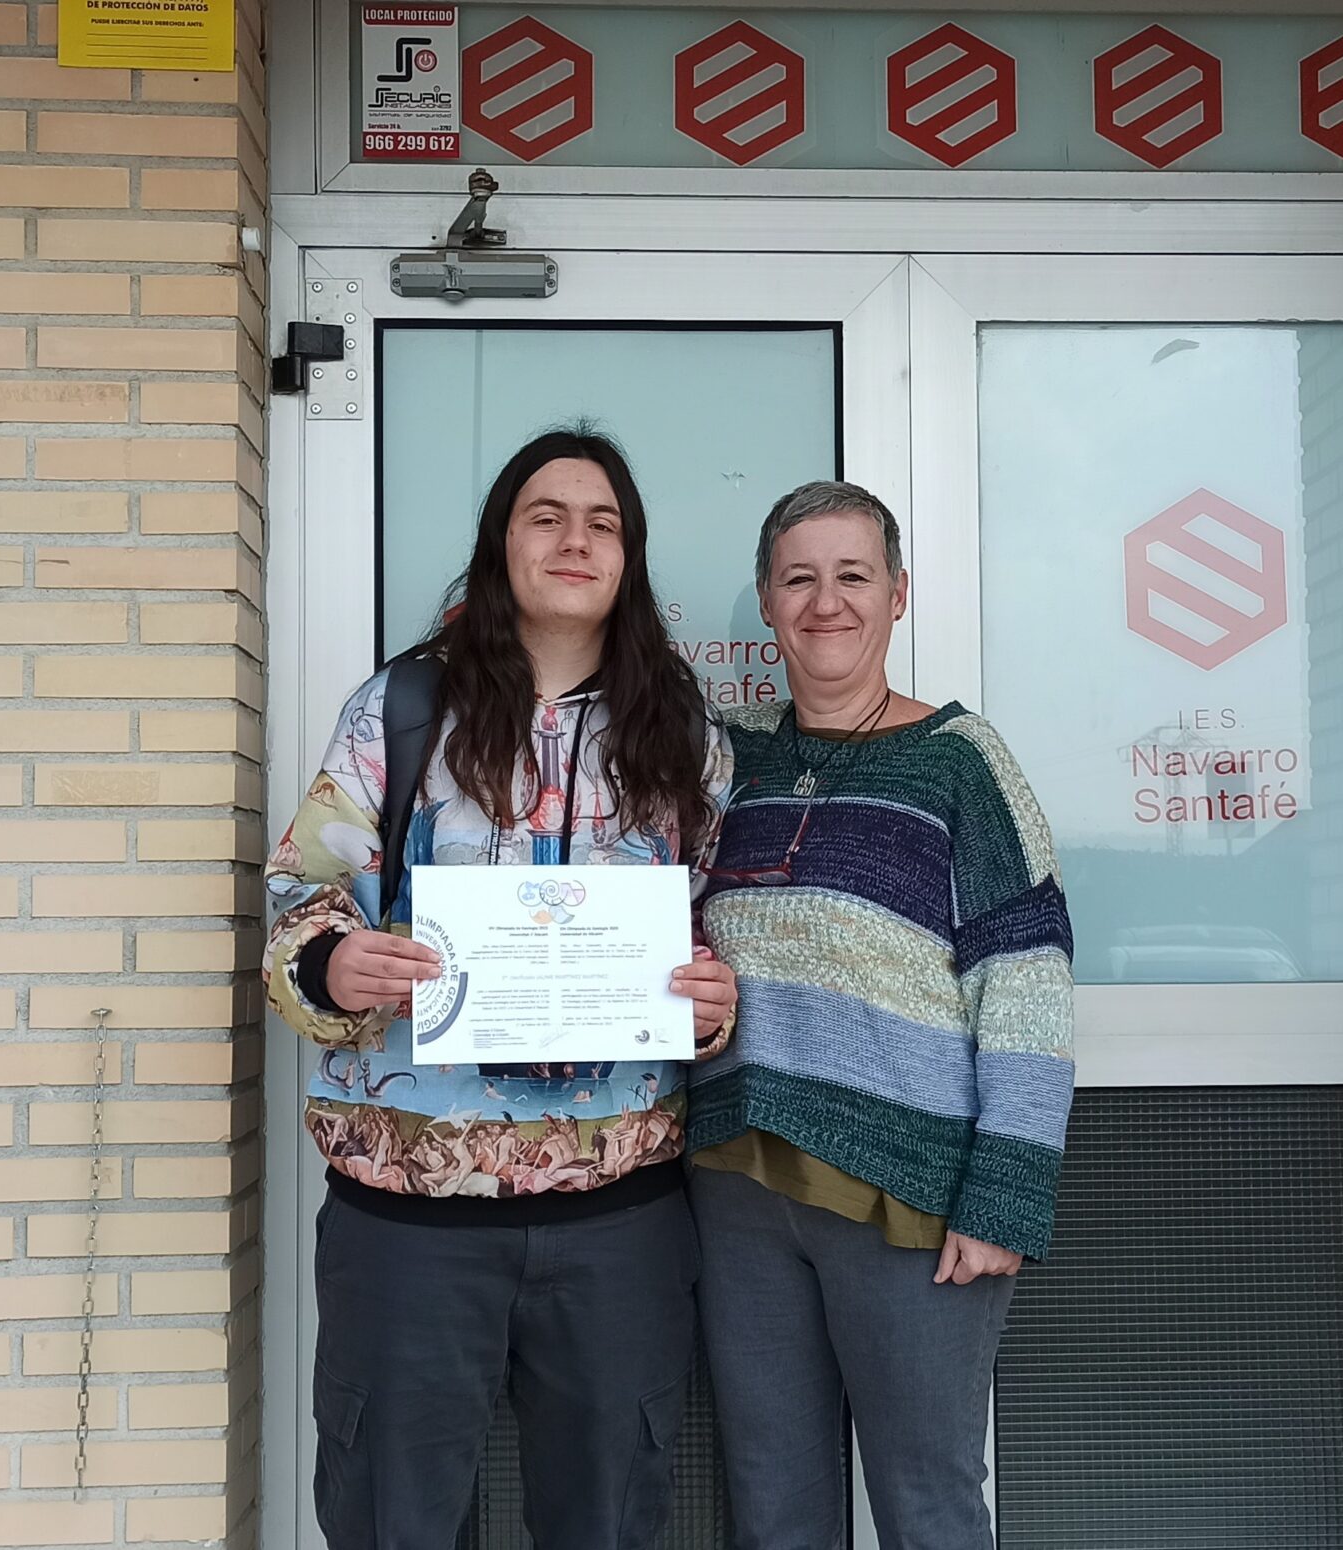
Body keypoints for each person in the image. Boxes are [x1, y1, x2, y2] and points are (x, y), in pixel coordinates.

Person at [263, 427, 738, 1550]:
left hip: (618, 1220)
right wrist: (333, 964)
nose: (576, 540)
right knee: (396, 1520)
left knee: (609, 1521)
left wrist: (715, 1004)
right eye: (546, 516)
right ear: (500, 542)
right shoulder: (400, 710)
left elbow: (717, 932)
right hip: (410, 1219)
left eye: (602, 523)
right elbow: (299, 895)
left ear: (628, 558)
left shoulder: (687, 736)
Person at [691, 480, 1075, 1550]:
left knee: (927, 1504)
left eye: (853, 576)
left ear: (897, 594)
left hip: (906, 1197)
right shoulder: (726, 759)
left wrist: (1005, 1194)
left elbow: (1028, 983)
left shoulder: (961, 761)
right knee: (772, 1506)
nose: (827, 602)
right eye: (799, 579)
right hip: (735, 1189)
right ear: (767, 601)